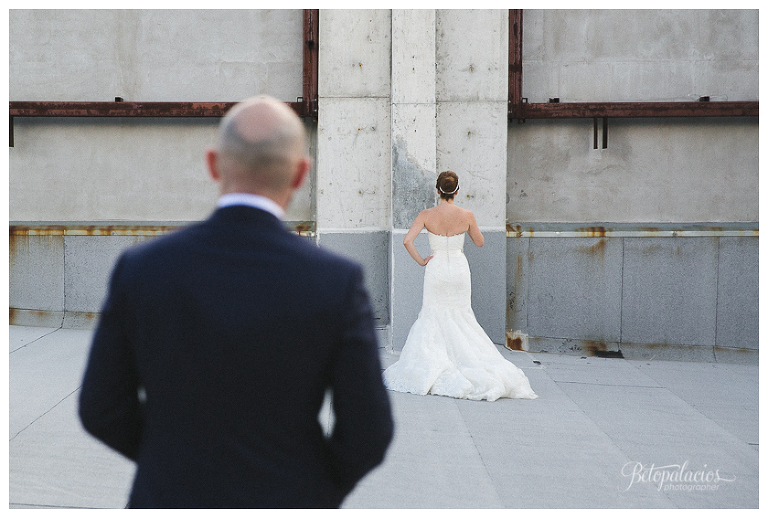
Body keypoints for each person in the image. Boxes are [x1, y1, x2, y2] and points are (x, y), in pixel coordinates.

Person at [78, 95, 394, 508]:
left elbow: (101, 408)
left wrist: (170, 463)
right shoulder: (335, 282)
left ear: (213, 164)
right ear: (300, 174)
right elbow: (369, 431)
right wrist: (309, 490)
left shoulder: (142, 268)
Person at [383, 171, 537, 401]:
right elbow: (480, 242)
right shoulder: (466, 214)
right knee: (462, 315)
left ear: (437, 191)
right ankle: (467, 360)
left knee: (433, 315)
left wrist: (422, 260)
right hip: (458, 268)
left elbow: (407, 241)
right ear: (456, 191)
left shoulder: (426, 214)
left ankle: (437, 361)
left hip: (435, 269)